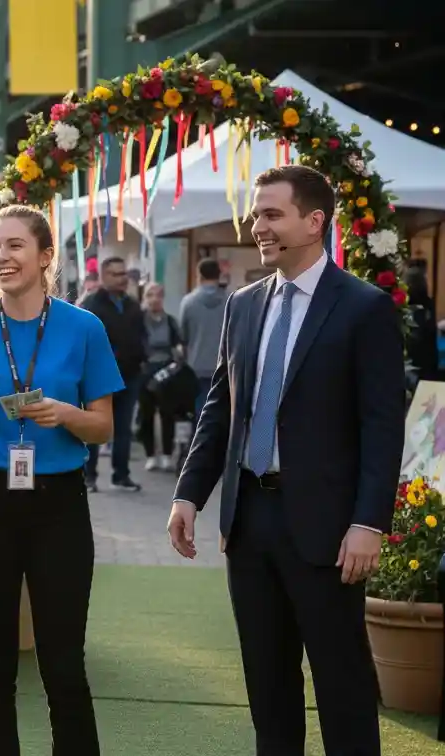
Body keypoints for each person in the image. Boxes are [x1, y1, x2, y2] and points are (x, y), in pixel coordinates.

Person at [170, 165, 405, 756]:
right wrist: (188, 494)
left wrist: (368, 522)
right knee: (268, 691)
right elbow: (220, 409)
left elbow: (382, 426)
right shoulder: (242, 305)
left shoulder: (364, 308)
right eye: (256, 214)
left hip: (329, 532)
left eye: (272, 213)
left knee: (342, 689)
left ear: (314, 221)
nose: (258, 225)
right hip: (249, 524)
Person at [0, 204, 122, 756]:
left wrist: (63, 413)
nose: (1, 257)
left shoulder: (85, 327)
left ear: (44, 257)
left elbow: (103, 427)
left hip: (59, 506)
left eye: (14, 246)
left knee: (63, 663)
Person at [80, 256, 145, 493]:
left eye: (124, 274)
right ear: (104, 277)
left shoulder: (132, 304)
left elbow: (140, 336)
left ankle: (121, 475)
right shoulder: (92, 304)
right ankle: (88, 476)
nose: (122, 279)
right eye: (116, 274)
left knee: (123, 428)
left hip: (130, 375)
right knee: (96, 427)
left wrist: (142, 360)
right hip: (100, 377)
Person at [138, 282, 182, 471]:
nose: (154, 299)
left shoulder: (170, 321)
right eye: (150, 295)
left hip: (166, 371)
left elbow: (178, 343)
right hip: (145, 370)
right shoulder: (139, 321)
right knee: (146, 414)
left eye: (158, 295)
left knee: (167, 413)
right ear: (145, 298)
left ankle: (166, 453)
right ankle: (150, 454)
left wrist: (178, 355)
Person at [179, 258, 227, 417]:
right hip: (224, 366)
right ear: (219, 276)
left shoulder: (188, 302)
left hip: (196, 366)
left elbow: (183, 337)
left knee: (200, 412)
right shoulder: (230, 300)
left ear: (198, 275)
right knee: (222, 411)